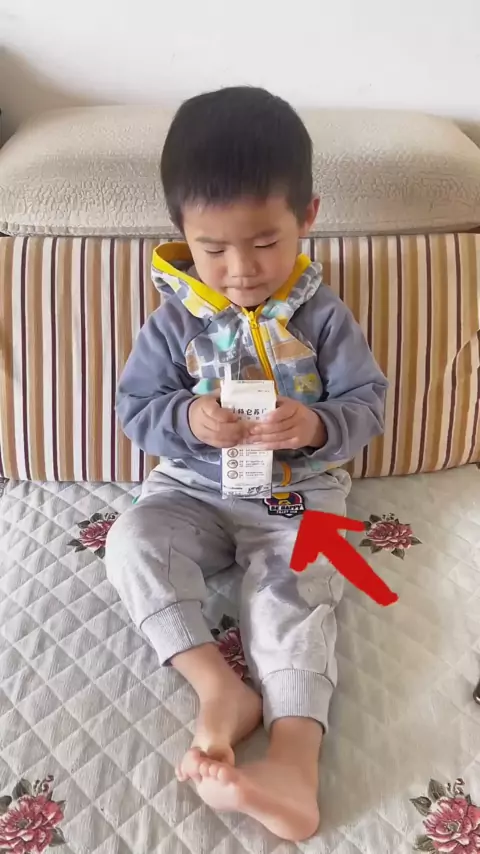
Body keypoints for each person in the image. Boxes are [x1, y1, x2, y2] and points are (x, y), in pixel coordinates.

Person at [106, 86, 388, 842]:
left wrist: (315, 424)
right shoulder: (175, 320)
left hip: (296, 496)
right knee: (130, 542)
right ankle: (219, 690)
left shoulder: (324, 316)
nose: (240, 270)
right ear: (182, 234)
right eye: (213, 248)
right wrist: (189, 418)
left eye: (265, 243)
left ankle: (293, 760)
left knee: (299, 582)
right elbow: (135, 407)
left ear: (307, 217)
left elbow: (367, 404)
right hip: (192, 491)